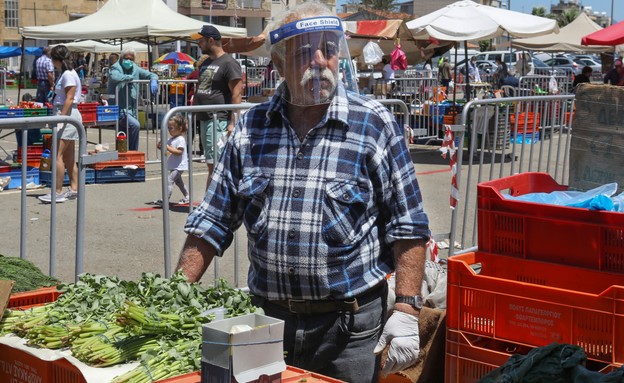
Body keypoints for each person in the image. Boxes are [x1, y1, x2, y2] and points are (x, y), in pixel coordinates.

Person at [175, 3, 430, 382]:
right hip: (268, 323)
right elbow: (212, 221)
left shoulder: (373, 124)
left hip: (351, 329)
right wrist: (175, 294)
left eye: (328, 48)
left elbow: (406, 223)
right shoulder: (251, 129)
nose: (319, 61)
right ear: (277, 64)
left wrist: (407, 308)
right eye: (302, 51)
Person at [190, 25, 242, 189]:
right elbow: (201, 90)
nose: (198, 44)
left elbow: (236, 94)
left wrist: (232, 122)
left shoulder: (229, 63)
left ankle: (212, 204)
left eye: (201, 40)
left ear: (211, 40)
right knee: (211, 164)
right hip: (205, 119)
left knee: (217, 165)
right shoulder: (206, 62)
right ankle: (211, 203)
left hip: (218, 119)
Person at [38, 45, 82, 204]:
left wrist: (62, 118)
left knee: (57, 155)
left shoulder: (68, 74)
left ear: (57, 59)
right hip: (68, 115)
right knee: (69, 157)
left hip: (67, 115)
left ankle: (57, 192)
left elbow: (69, 98)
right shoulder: (67, 73)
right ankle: (74, 188)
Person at [107, 47, 159, 151]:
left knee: (123, 135)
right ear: (121, 58)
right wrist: (129, 78)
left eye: (131, 59)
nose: (129, 61)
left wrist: (154, 79)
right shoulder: (115, 67)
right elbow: (115, 77)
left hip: (132, 110)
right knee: (135, 126)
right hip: (119, 109)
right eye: (126, 58)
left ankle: (124, 157)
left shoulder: (135, 68)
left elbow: (151, 74)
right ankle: (132, 152)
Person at [154, 114, 190, 206]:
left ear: (180, 128)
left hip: (179, 166)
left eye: (171, 128)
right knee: (179, 182)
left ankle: (165, 199)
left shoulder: (180, 139)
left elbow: (179, 152)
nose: (169, 130)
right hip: (174, 165)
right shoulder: (171, 139)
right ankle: (187, 196)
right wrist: (160, 146)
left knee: (169, 181)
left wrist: (167, 147)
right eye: (168, 128)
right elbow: (166, 148)